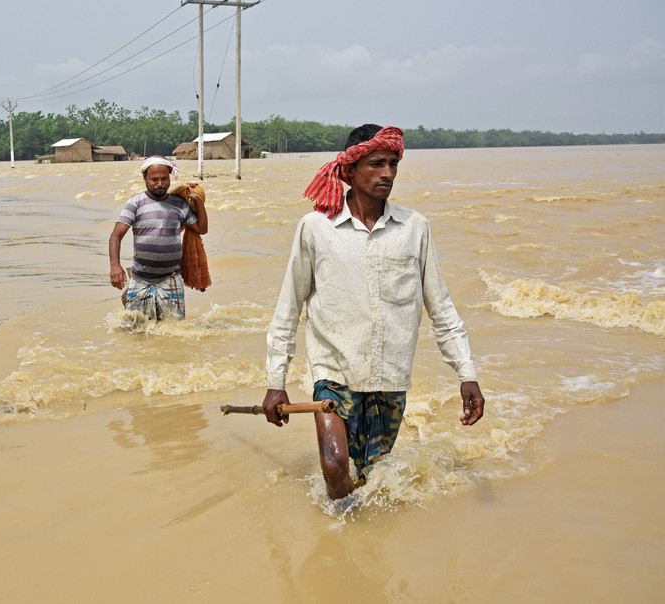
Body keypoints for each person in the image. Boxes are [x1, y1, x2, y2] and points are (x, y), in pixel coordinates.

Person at [263, 124, 484, 501]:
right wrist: (275, 380)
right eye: (377, 164)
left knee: (373, 474)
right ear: (348, 170)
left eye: (393, 164)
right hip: (334, 373)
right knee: (335, 467)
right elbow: (289, 306)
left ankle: (362, 546)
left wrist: (466, 374)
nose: (388, 174)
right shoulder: (316, 227)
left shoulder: (414, 227)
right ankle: (340, 542)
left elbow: (441, 306)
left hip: (390, 375)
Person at [109, 156, 208, 320]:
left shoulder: (179, 204)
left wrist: (197, 201)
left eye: (164, 179)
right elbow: (116, 235)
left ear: (169, 177)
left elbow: (201, 229)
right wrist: (115, 266)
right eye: (154, 179)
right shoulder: (135, 203)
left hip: (171, 280)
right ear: (145, 178)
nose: (160, 184)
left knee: (173, 332)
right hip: (140, 279)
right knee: (133, 330)